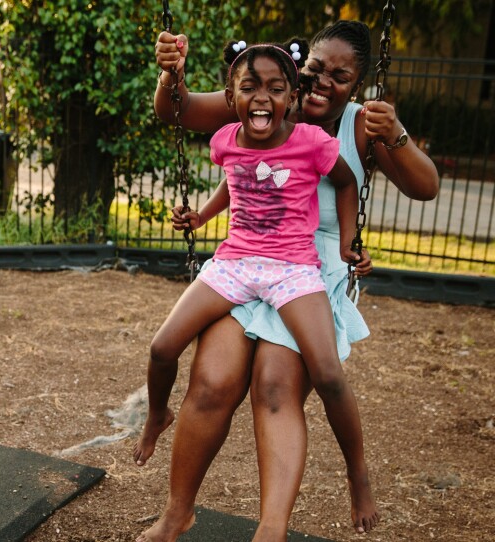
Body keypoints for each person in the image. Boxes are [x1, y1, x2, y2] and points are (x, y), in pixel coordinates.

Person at [136, 20, 439, 542]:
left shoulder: (363, 125)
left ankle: (272, 529)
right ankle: (176, 512)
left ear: (358, 84)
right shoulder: (267, 96)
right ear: (302, 69)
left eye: (340, 78)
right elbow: (180, 112)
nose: (324, 84)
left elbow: (426, 186)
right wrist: (172, 75)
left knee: (275, 386)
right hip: (248, 258)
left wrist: (398, 135)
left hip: (311, 269)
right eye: (317, 70)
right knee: (210, 382)